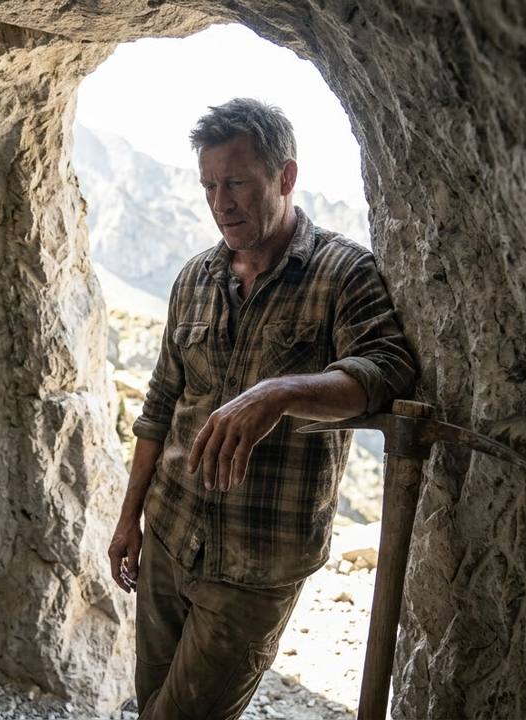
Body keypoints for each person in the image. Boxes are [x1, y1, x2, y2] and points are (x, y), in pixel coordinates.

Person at [107, 98, 416, 719]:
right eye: (210, 185)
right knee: (151, 703)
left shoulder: (342, 271)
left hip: (256, 561)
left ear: (286, 176)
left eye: (238, 182)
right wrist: (129, 519)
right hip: (169, 535)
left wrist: (281, 392)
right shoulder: (194, 277)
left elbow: (389, 369)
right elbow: (161, 403)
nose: (221, 202)